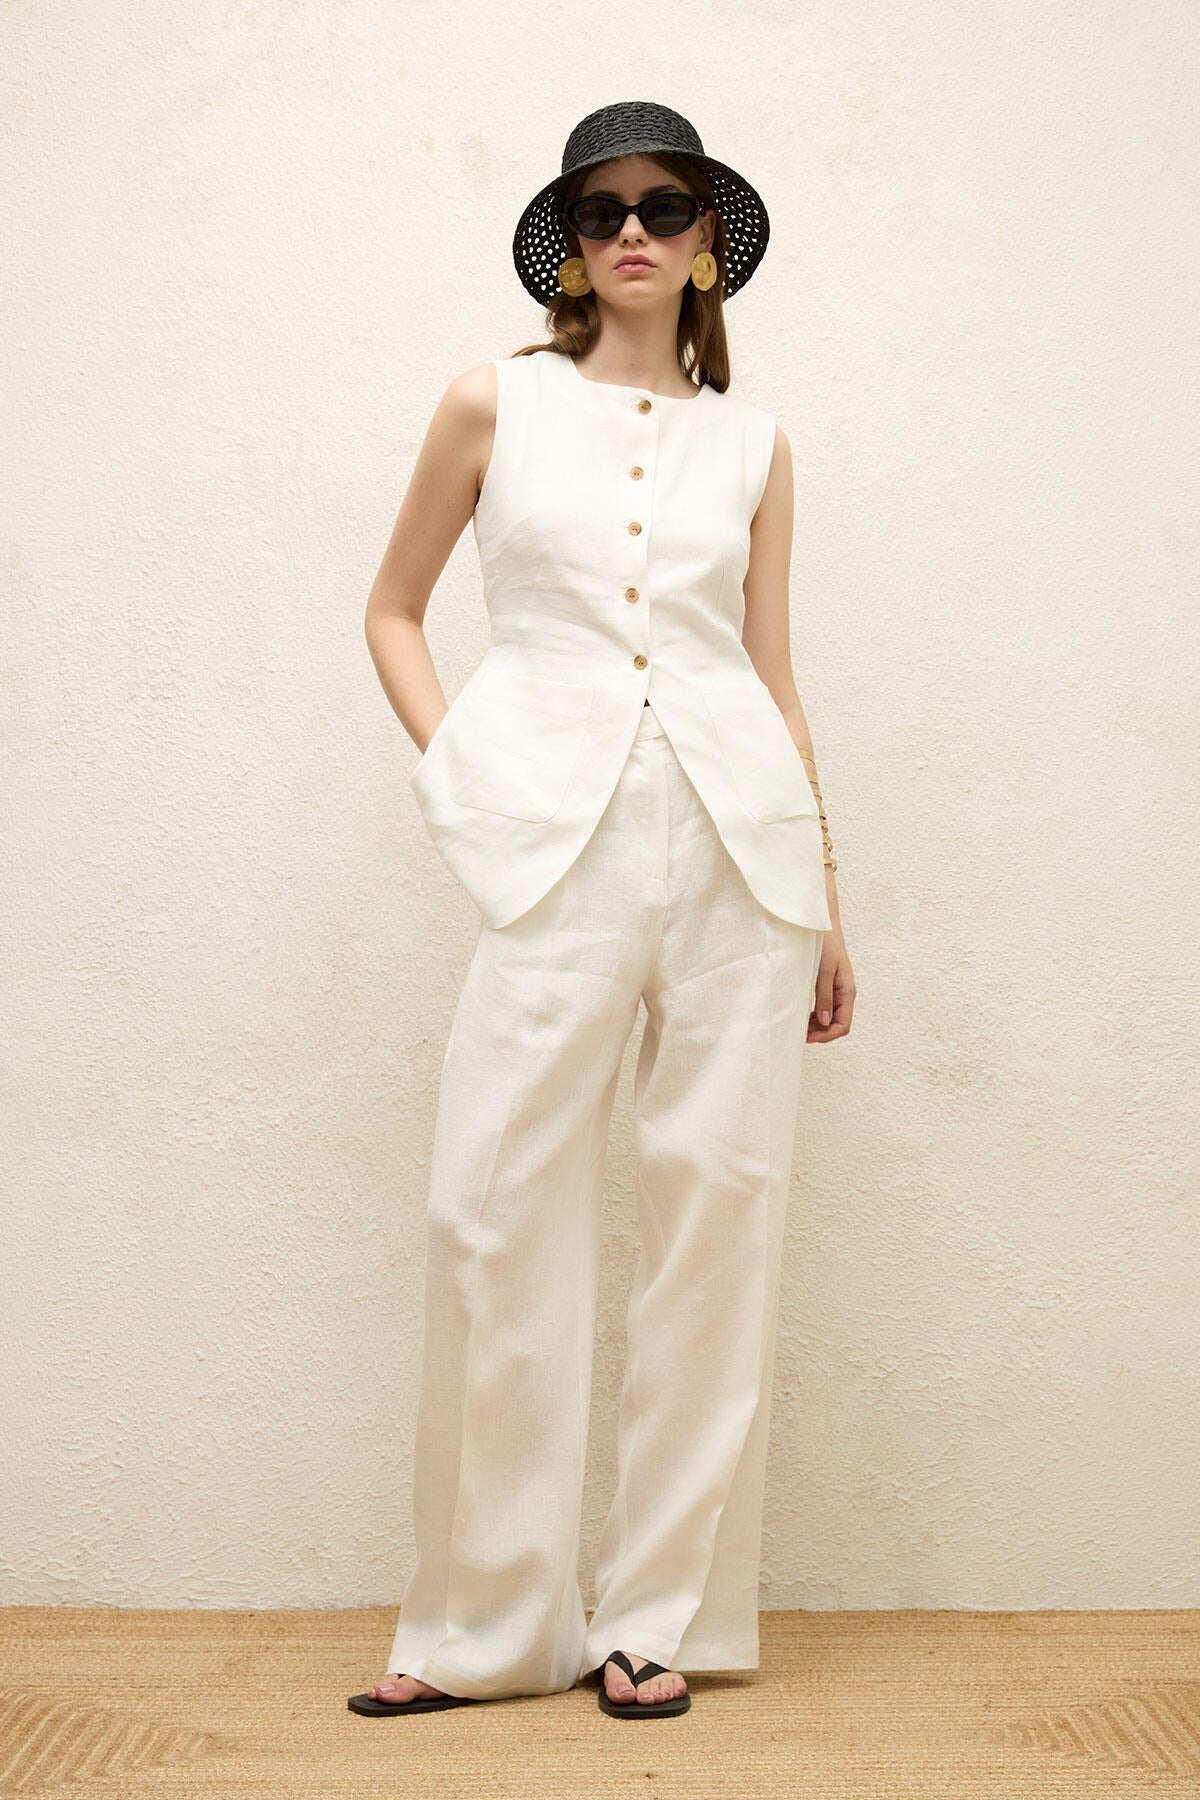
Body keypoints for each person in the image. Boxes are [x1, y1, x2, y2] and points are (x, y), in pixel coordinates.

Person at [349, 99, 856, 1723]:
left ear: (709, 242)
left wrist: (826, 897)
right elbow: (393, 610)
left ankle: (657, 1616)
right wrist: (470, 778)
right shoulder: (490, 402)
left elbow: (771, 677)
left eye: (667, 205)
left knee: (719, 1220)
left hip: (739, 856)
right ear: (569, 244)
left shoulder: (756, 448)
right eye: (602, 208)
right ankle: (483, 1626)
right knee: (488, 1211)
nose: (634, 229)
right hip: (551, 848)